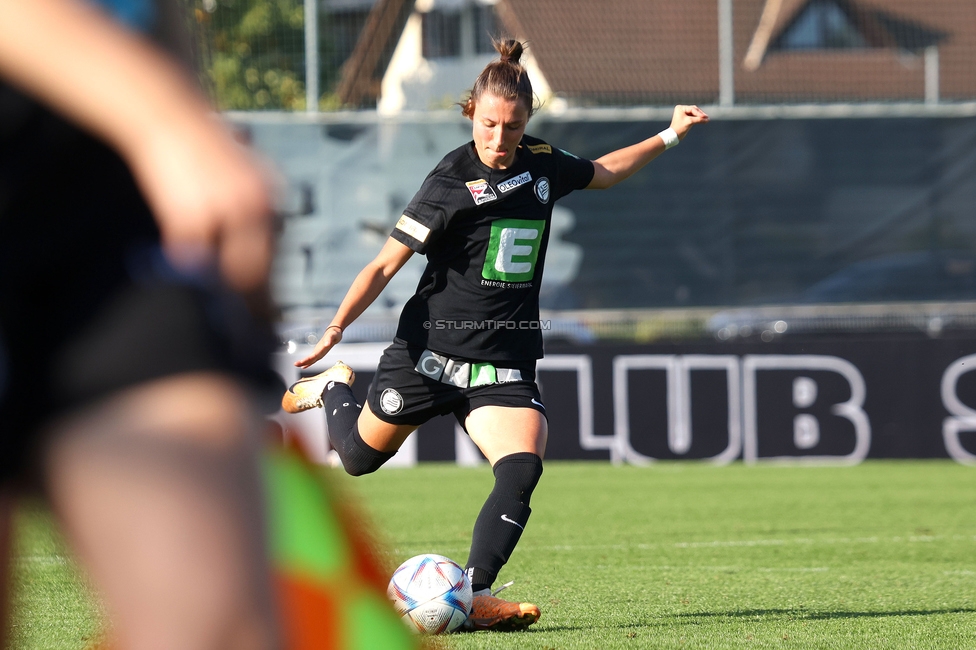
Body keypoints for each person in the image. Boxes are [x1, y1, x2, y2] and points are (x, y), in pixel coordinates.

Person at [283, 39, 709, 631]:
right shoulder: (450, 180)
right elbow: (385, 264)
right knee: (355, 461)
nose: (499, 139)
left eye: (511, 125)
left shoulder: (541, 160)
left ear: (527, 120)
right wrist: (336, 329)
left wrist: (669, 135)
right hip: (430, 354)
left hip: (502, 363)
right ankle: (334, 389)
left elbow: (604, 174)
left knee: (522, 466)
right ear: (471, 115)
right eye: (488, 124)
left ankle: (473, 593)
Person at [0, 0, 282, 647]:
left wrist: (183, 114)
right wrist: (169, 121)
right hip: (135, 121)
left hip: (113, 180)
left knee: (218, 626)